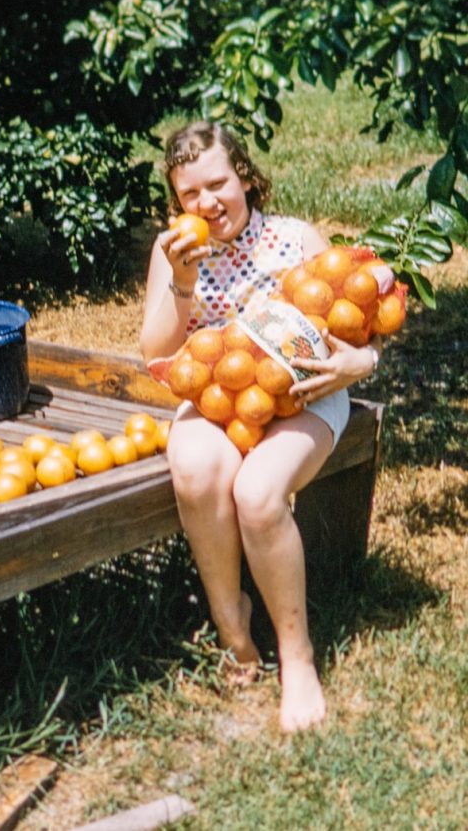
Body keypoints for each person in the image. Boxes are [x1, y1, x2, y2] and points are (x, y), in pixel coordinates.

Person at [140, 121, 382, 733]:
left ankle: (296, 658)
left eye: (218, 184)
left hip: (304, 395)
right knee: (196, 471)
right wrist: (184, 283)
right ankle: (232, 626)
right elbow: (156, 355)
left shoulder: (294, 238)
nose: (207, 203)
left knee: (257, 494)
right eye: (189, 194)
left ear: (245, 176)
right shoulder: (173, 253)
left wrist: (363, 362)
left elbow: (357, 317)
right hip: (223, 398)